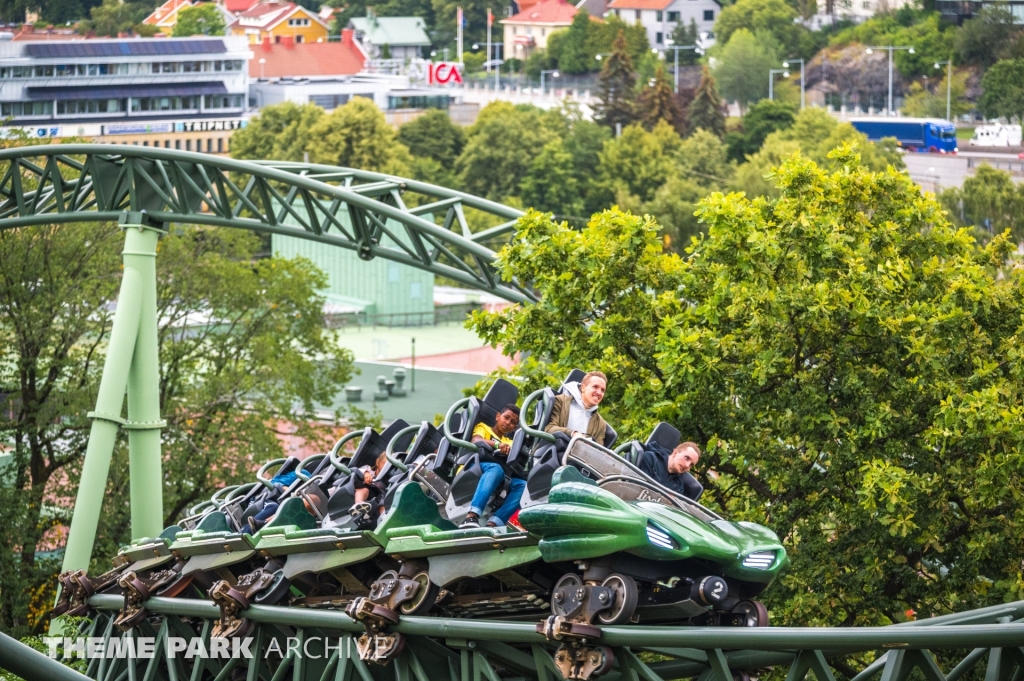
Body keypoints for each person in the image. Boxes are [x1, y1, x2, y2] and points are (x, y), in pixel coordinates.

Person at [461, 404, 523, 529]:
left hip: (500, 474)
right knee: (496, 468)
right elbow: (476, 441)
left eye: (512, 422)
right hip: (476, 466)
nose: (507, 422)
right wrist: (497, 445)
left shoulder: (510, 442)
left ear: (514, 428)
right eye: (506, 417)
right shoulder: (483, 428)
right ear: (498, 416)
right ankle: (471, 516)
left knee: (522, 485)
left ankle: (494, 523)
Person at [544, 371, 610, 446]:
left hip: (578, 456)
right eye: (595, 387)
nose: (599, 392)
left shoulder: (600, 424)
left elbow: (598, 449)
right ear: (583, 388)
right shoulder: (561, 401)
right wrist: (573, 434)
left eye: (602, 390)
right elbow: (549, 428)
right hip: (553, 450)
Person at [243, 468, 298, 534]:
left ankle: (246, 532)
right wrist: (292, 493)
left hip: (271, 498)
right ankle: (245, 534)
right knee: (274, 507)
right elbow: (276, 484)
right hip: (263, 498)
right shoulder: (299, 473)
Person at [349, 452, 389, 524]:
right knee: (365, 490)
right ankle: (359, 504)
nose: (387, 467)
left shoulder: (386, 480)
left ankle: (384, 520)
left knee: (383, 499)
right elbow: (357, 470)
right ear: (377, 462)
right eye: (385, 464)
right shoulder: (369, 470)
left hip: (376, 499)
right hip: (363, 491)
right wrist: (366, 473)